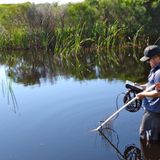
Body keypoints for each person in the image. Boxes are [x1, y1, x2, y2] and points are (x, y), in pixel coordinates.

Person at [136, 45, 160, 142]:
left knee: (145, 135)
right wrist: (141, 86)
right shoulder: (155, 69)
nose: (148, 62)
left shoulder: (159, 72)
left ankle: (150, 155)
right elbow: (152, 85)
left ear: (155, 58)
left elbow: (158, 93)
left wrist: (143, 94)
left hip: (154, 112)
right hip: (153, 110)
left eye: (148, 60)